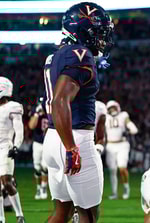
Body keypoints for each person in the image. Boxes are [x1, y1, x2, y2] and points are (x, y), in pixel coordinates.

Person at [41, 2, 114, 222]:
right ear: (83, 30)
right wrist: (72, 148)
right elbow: (60, 100)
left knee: (61, 212)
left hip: (54, 137)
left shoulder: (56, 55)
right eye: (99, 31)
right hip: (74, 137)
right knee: (88, 214)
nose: (103, 37)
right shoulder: (79, 53)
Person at [0, 76, 26, 223]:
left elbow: (19, 130)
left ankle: (20, 215)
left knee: (6, 181)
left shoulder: (13, 106)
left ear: (0, 89)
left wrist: (16, 146)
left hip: (4, 148)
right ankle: (0, 219)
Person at [105, 100, 138, 199]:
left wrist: (130, 130)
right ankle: (114, 193)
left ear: (117, 107)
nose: (112, 110)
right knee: (112, 170)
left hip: (122, 144)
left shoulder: (123, 115)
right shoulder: (106, 117)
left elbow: (133, 128)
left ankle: (126, 188)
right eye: (110, 108)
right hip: (110, 145)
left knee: (122, 167)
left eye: (113, 108)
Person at [28, 98, 49, 200]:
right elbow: (31, 126)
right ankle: (38, 188)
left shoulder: (51, 113)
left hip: (48, 143)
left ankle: (44, 188)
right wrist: (36, 114)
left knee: (45, 166)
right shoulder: (36, 112)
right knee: (37, 167)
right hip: (37, 142)